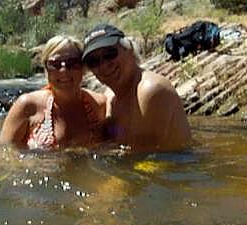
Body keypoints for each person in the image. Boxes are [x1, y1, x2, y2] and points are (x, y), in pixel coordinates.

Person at [82, 24, 191, 152]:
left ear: (129, 49)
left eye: (110, 54)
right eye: (93, 61)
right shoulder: (110, 97)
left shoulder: (150, 90)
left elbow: (143, 159)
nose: (104, 65)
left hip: (173, 167)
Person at [0, 35, 106, 149]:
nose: (64, 71)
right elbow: (5, 154)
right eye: (55, 64)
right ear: (46, 69)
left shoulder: (99, 105)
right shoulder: (27, 106)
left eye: (72, 63)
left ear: (84, 67)